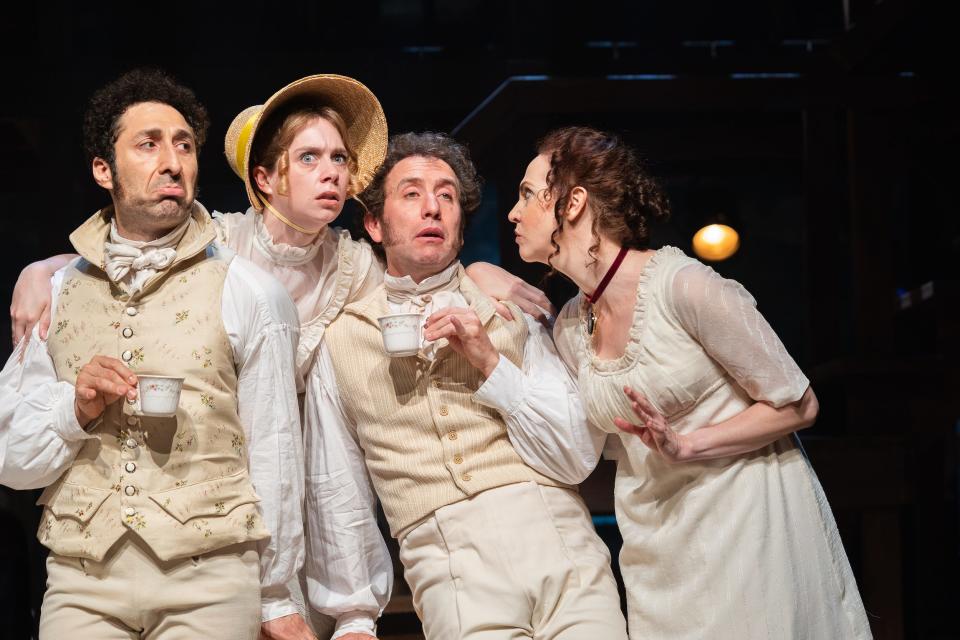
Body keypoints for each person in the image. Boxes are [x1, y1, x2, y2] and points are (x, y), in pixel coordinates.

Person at [9, 74, 554, 639]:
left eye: (340, 158)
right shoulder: (218, 247)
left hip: (311, 493)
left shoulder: (355, 266)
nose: (332, 173)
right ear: (266, 178)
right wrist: (38, 271)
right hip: (209, 494)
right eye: (311, 157)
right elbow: (126, 252)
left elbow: (422, 275)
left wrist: (484, 271)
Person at [506, 125, 873, 638]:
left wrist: (690, 444)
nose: (513, 213)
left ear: (573, 203)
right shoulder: (572, 324)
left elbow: (799, 403)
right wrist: (483, 271)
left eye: (527, 194)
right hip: (658, 550)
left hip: (747, 528)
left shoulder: (685, 288)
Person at [0, 69, 304, 639]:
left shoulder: (250, 291)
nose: (173, 161)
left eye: (184, 145)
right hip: (81, 578)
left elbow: (277, 454)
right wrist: (76, 409)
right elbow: (11, 460)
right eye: (149, 144)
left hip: (210, 577)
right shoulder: (57, 292)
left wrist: (276, 596)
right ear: (102, 169)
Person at [304, 131, 628, 640]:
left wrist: (489, 360)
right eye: (411, 194)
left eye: (448, 196)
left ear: (460, 226)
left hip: (555, 535)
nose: (432, 207)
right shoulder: (340, 339)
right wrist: (353, 614)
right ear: (373, 223)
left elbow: (574, 455)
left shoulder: (511, 309)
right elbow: (335, 483)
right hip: (445, 556)